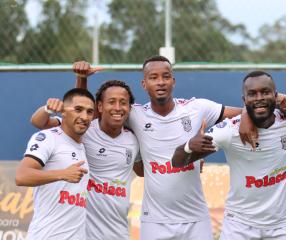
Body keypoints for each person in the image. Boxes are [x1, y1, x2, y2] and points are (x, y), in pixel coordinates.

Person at [73, 55, 251, 240]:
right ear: (144, 84)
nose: (160, 82)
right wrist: (81, 78)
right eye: (153, 77)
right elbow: (85, 116)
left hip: (196, 219)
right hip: (155, 222)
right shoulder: (134, 114)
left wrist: (246, 115)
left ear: (173, 81)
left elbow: (245, 112)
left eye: (165, 76)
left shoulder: (198, 108)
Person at [171, 70, 286, 240]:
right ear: (244, 100)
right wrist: (189, 145)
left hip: (280, 226)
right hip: (239, 226)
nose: (259, 97)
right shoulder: (229, 130)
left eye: (265, 92)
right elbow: (177, 162)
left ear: (275, 96)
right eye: (252, 94)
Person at [30, 79, 143, 240]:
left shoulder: (133, 139)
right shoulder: (85, 128)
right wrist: (80, 78)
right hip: (84, 232)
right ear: (100, 107)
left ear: (129, 108)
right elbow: (39, 122)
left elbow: (143, 172)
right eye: (111, 102)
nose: (117, 107)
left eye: (123, 103)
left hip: (119, 232)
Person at [16, 88, 95, 240]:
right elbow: (21, 176)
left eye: (89, 112)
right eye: (78, 110)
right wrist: (62, 174)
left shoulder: (83, 142)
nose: (84, 117)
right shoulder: (48, 137)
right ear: (63, 112)